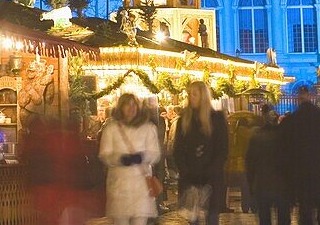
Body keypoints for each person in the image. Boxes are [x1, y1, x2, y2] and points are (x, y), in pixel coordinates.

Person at [279, 84, 320, 225]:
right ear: (312, 98)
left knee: (305, 216)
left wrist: (287, 176)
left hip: (301, 177)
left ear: (297, 100)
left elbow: (283, 152)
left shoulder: (290, 121)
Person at [98, 92, 160, 225]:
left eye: (134, 105)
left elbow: (155, 153)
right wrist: (119, 159)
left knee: (140, 221)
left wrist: (142, 157)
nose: (131, 108)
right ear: (121, 107)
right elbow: (104, 154)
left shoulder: (148, 128)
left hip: (141, 186)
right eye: (127, 105)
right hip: (120, 187)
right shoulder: (111, 129)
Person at [172, 81, 228, 225]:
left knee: (212, 217)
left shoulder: (217, 119)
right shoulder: (184, 120)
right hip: (190, 178)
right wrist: (185, 170)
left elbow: (222, 149)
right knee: (193, 219)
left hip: (211, 178)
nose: (191, 98)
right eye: (189, 94)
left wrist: (211, 169)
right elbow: (177, 149)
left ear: (203, 96)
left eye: (194, 94)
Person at [246, 104, 290, 225]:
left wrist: (251, 184)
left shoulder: (256, 137)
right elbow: (291, 161)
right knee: (284, 218)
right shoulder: (285, 137)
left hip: (262, 183)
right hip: (283, 184)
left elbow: (250, 163)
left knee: (264, 217)